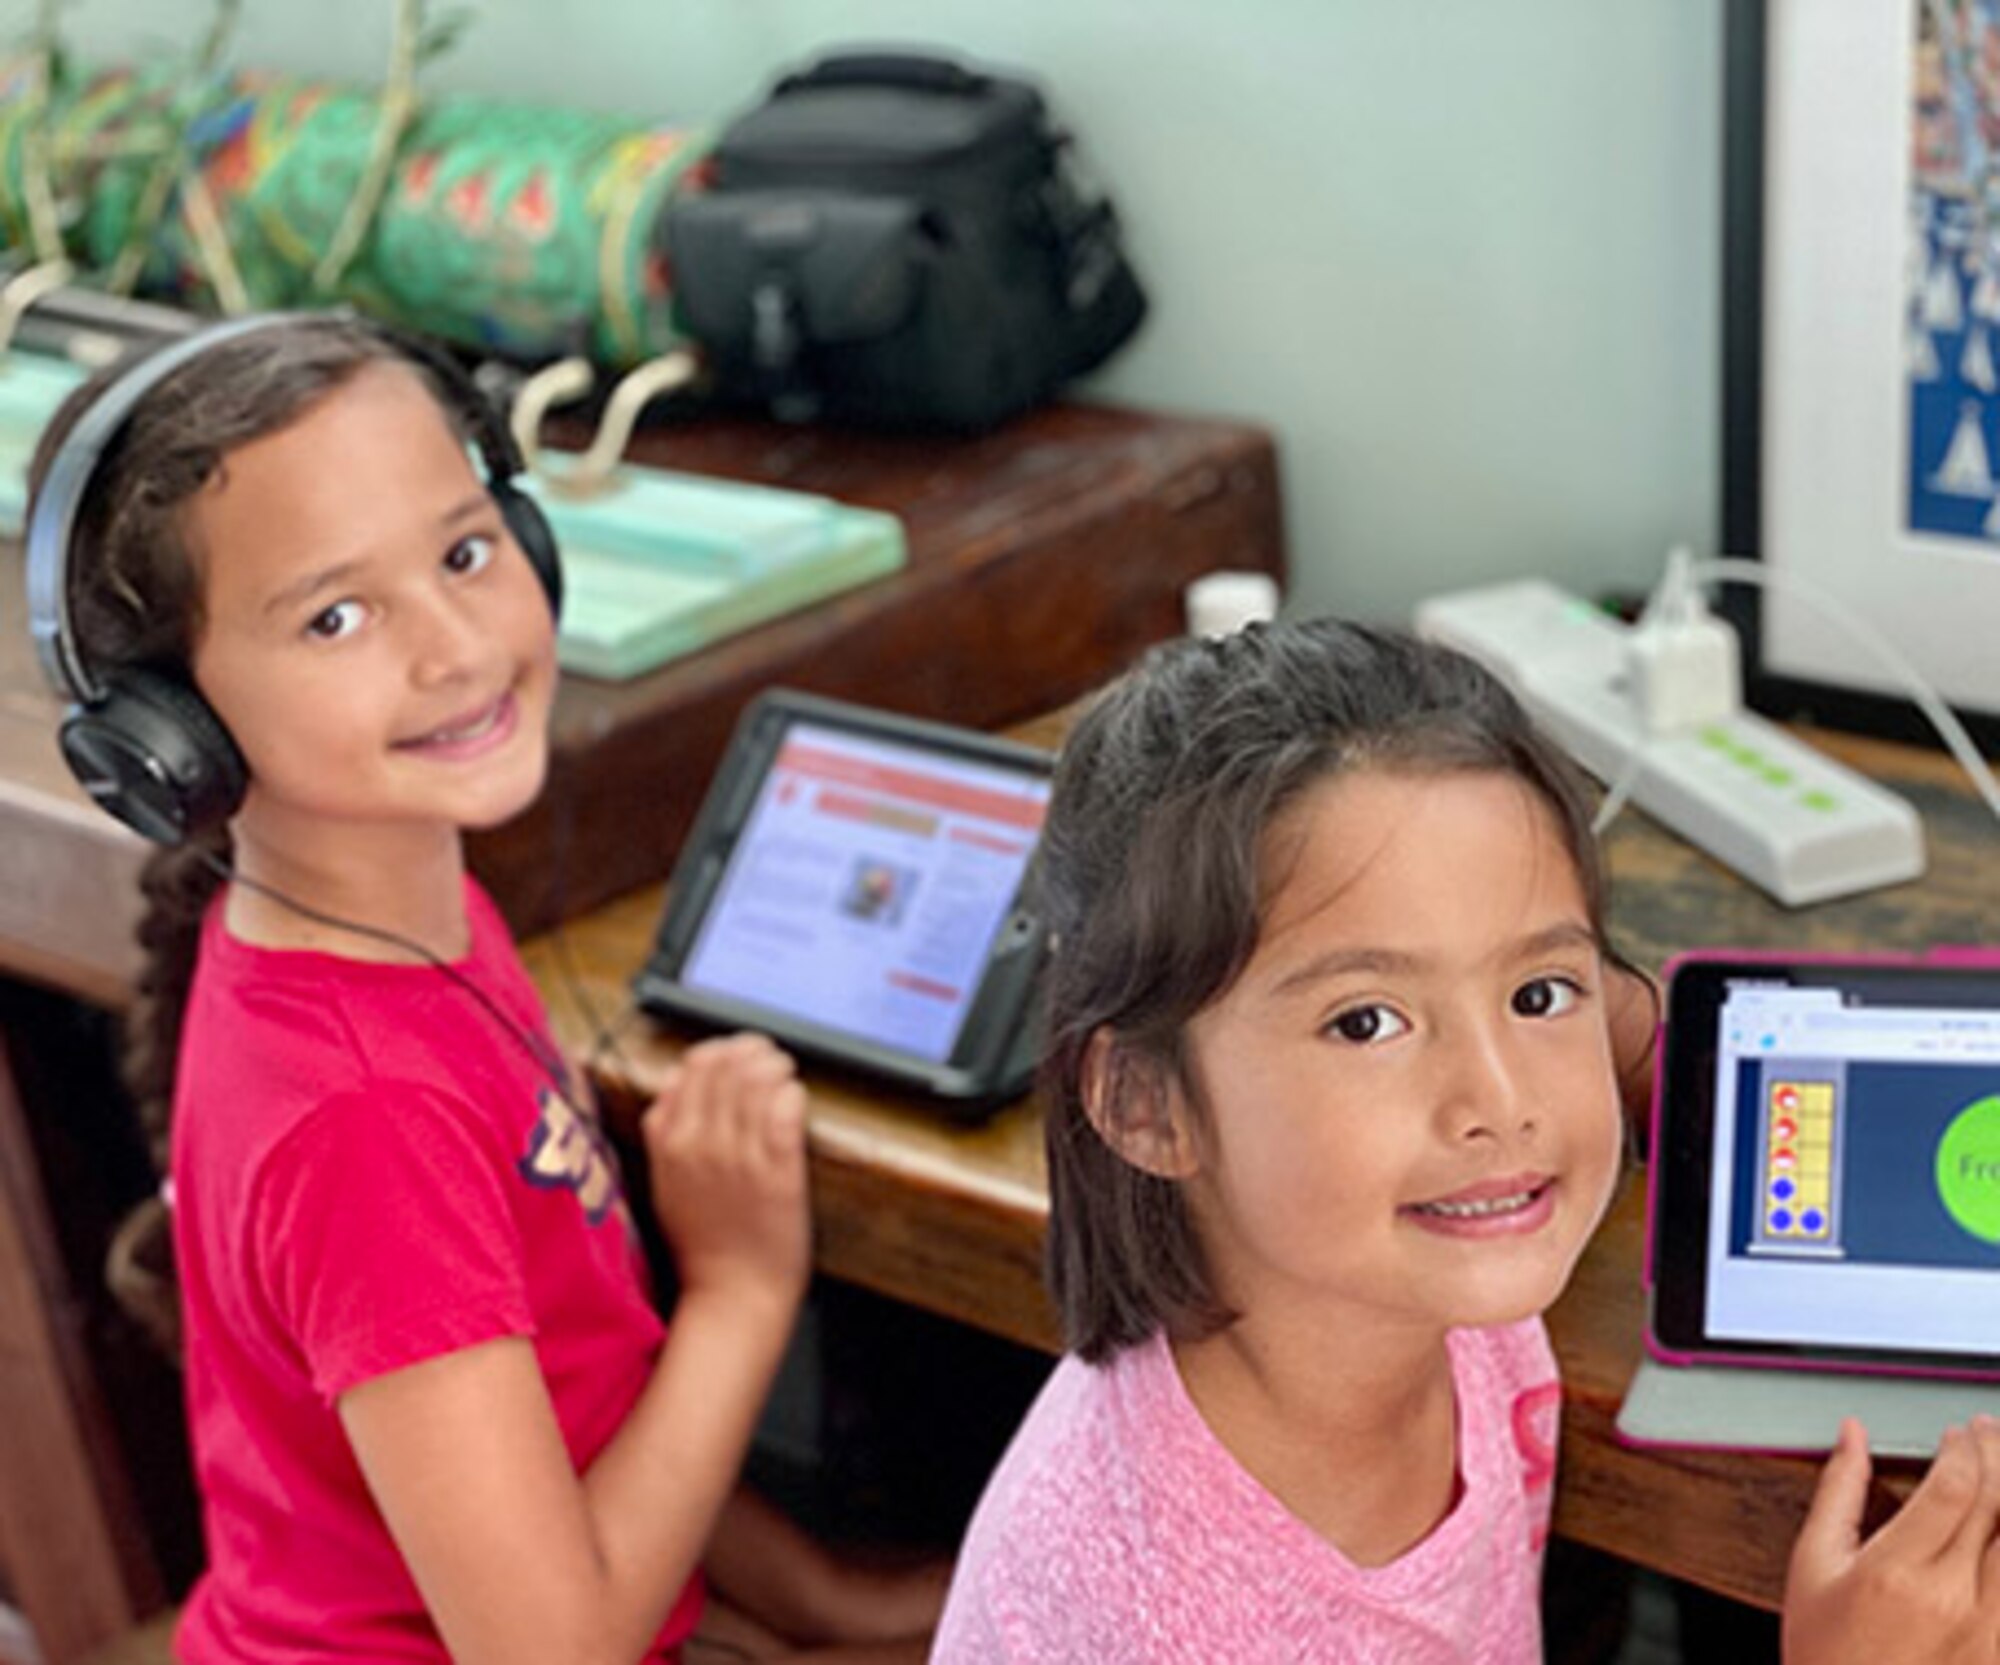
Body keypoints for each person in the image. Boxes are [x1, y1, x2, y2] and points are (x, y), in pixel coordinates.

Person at [26, 313, 943, 1664]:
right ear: (169, 732)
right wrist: (742, 1287)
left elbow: (577, 1396)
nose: (454, 647)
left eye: (465, 551)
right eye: (336, 615)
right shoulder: (366, 1113)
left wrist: (815, 1597)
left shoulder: (400, 904)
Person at [928, 619, 2000, 1663]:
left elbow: (1616, 1018)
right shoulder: (1165, 1620)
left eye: (1535, 993)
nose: (1499, 1105)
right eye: (1365, 1022)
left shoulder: (1420, 1272)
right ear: (1143, 1105)